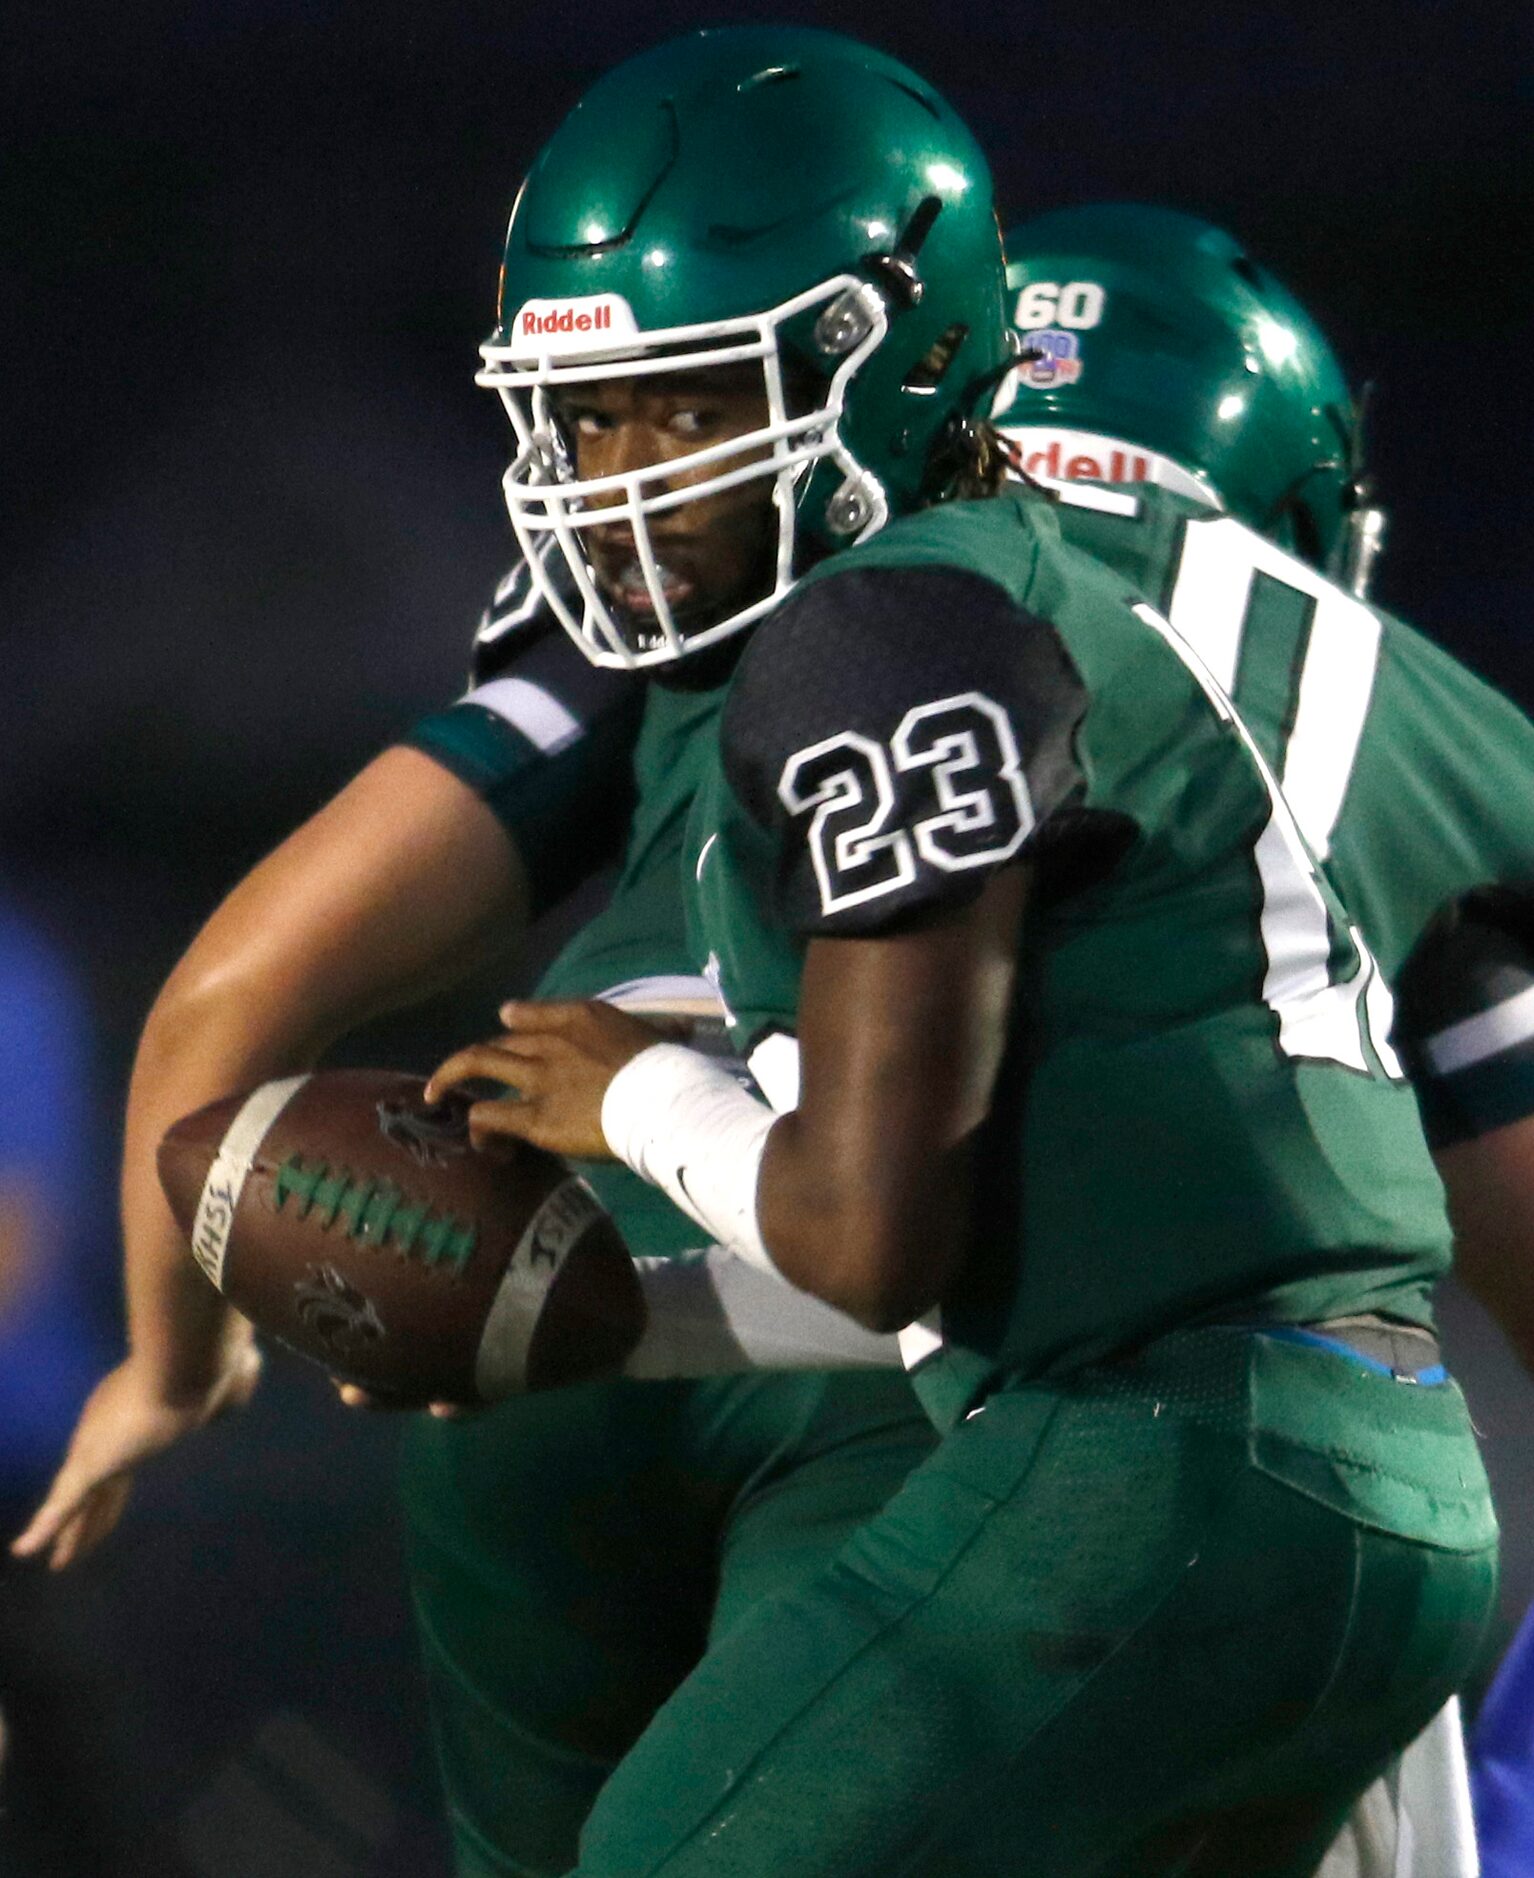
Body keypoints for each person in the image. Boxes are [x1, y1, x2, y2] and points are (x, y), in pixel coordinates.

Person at [425, 33, 1499, 1875]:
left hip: (1155, 1464)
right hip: (1392, 1481)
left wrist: (643, 1095)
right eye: (586, 420)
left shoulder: (880, 627)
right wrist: (585, 1306)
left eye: (683, 409)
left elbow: (870, 1229)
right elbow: (994, 1220)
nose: (612, 479)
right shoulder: (1135, 585)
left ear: (894, 363)